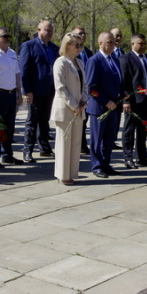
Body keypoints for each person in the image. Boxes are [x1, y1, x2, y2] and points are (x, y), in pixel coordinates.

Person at [50, 33, 88, 185]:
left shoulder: (80, 62)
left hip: (79, 108)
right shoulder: (61, 62)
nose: (79, 48)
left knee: (75, 143)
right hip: (65, 109)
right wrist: (74, 105)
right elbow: (60, 88)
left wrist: (84, 101)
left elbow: (85, 85)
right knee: (64, 144)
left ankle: (71, 174)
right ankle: (62, 175)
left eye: (81, 45)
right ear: (67, 46)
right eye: (76, 45)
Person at [120, 33, 147, 169]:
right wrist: (126, 101)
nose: (143, 46)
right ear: (133, 44)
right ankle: (128, 157)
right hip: (133, 101)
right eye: (140, 43)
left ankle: (142, 157)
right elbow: (125, 82)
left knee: (144, 129)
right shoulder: (126, 59)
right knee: (129, 130)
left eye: (144, 43)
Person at [20, 20, 58, 163]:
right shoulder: (29, 46)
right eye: (46, 30)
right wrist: (27, 90)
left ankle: (44, 148)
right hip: (35, 91)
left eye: (51, 31)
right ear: (39, 30)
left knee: (44, 120)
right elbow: (24, 70)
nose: (49, 33)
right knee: (32, 121)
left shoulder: (54, 48)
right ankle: (27, 150)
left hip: (49, 90)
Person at [85, 32, 122, 178]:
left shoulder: (115, 60)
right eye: (109, 42)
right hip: (100, 107)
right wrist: (106, 102)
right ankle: (97, 166)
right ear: (100, 43)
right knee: (97, 138)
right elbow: (91, 88)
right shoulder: (94, 61)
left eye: (113, 42)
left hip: (114, 107)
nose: (112, 45)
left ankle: (106, 164)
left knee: (109, 138)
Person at [0, 27, 23, 168]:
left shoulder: (12, 53)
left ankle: (7, 155)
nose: (8, 39)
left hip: (10, 93)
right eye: (4, 36)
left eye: (9, 36)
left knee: (9, 127)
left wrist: (20, 94)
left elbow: (17, 75)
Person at [71, 26, 94, 154]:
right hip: (74, 90)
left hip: (86, 90)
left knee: (85, 120)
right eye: (80, 34)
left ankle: (83, 144)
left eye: (84, 33)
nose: (83, 36)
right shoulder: (70, 53)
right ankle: (77, 145)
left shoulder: (89, 52)